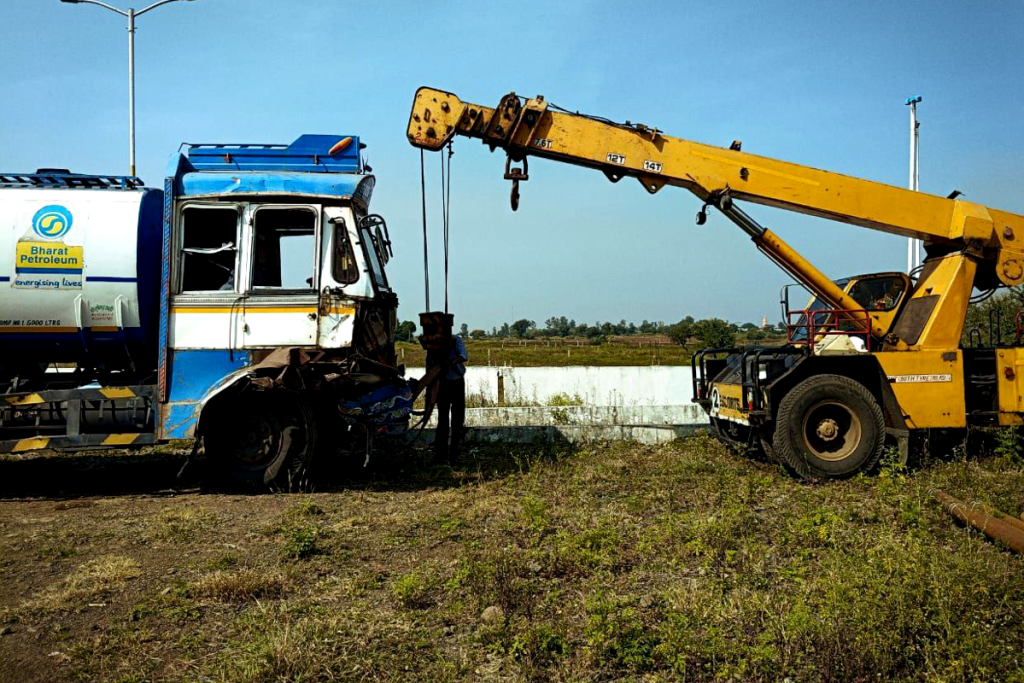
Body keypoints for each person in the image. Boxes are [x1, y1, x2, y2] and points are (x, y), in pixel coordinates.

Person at [427, 331, 468, 462]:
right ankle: (440, 455)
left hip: (457, 382)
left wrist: (450, 362)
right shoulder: (433, 344)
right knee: (443, 420)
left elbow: (464, 356)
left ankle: (454, 454)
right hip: (442, 383)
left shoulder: (457, 340)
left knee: (457, 419)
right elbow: (429, 364)